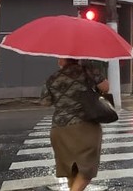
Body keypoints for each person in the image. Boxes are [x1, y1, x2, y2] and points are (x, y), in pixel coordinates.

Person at [40, 58, 109, 191]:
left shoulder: (52, 78)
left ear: (62, 60)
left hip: (60, 129)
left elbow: (45, 102)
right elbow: (105, 87)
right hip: (85, 127)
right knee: (86, 171)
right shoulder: (88, 71)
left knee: (71, 170)